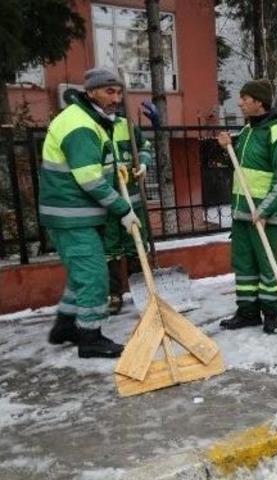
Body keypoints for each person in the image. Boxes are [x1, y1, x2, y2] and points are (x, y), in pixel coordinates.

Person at [40, 67, 140, 358]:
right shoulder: (81, 124)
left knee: (80, 276)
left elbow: (95, 167)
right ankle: (90, 338)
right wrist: (123, 209)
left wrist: (114, 168)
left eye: (119, 92)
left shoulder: (90, 118)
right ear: (91, 91)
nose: (116, 97)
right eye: (109, 91)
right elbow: (88, 178)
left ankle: (65, 327)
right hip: (72, 214)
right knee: (95, 276)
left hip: (75, 213)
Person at [217, 79, 277, 334]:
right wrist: (226, 148)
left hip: (264, 214)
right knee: (244, 265)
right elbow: (242, 170)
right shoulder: (248, 131)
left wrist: (265, 210)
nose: (239, 103)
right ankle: (247, 311)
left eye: (244, 98)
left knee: (267, 264)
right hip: (243, 212)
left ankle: (271, 313)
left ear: (258, 101)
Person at [104, 101, 157, 315]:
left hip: (132, 200)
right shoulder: (91, 129)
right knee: (111, 250)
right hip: (107, 202)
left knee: (136, 245)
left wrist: (142, 164)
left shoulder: (127, 126)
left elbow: (144, 146)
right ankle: (114, 294)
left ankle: (141, 291)